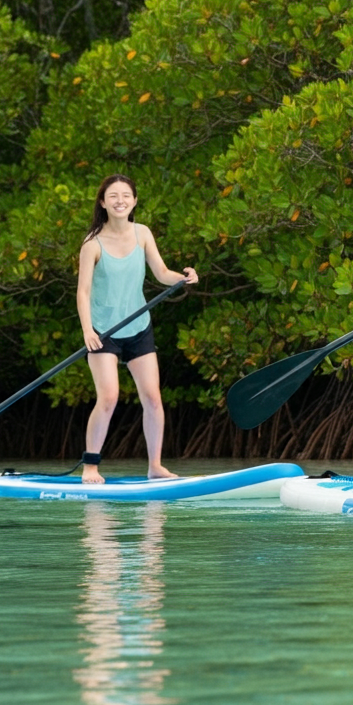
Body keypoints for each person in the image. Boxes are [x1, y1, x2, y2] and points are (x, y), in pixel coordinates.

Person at [76, 174, 198, 483]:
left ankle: (155, 466)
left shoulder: (142, 233)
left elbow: (161, 273)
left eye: (126, 195)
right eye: (113, 196)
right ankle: (91, 466)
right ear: (103, 203)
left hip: (138, 328)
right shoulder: (92, 245)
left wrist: (183, 278)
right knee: (108, 398)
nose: (120, 200)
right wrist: (87, 330)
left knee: (153, 398)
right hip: (103, 332)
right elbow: (84, 292)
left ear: (134, 201)